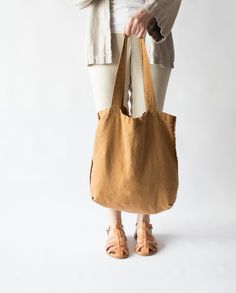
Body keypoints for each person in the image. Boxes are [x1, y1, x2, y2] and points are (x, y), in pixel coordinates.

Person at [69, 0, 182, 259]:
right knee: (109, 131)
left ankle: (144, 221)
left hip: (153, 37)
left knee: (148, 133)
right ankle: (114, 225)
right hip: (106, 39)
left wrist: (150, 14)